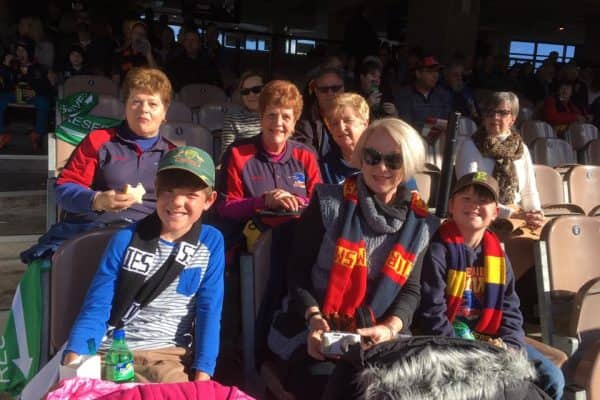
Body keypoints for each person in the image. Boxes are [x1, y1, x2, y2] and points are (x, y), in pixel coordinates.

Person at [273, 118, 433, 398]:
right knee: (333, 386)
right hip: (318, 327)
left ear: (408, 164)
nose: (381, 168)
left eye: (393, 161)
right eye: (372, 157)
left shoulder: (420, 224)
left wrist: (389, 328)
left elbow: (411, 290)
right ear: (361, 157)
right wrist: (314, 318)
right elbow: (297, 272)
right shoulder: (329, 203)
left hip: (381, 334)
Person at [63, 145, 224, 383]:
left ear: (209, 200)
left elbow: (209, 311)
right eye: (168, 191)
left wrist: (203, 375)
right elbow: (97, 307)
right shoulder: (126, 239)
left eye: (191, 195)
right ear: (156, 190)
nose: (177, 202)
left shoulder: (211, 242)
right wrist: (73, 362)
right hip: (111, 352)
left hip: (167, 357)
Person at [419, 171, 565, 400]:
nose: (474, 205)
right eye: (466, 198)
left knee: (552, 378)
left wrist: (511, 346)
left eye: (483, 200)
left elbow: (510, 309)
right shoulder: (436, 249)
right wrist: (466, 351)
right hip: (450, 341)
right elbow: (432, 311)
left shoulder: (497, 255)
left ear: (495, 213)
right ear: (451, 205)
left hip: (491, 339)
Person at [21, 67, 175, 263]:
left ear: (165, 111)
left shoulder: (173, 155)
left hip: (149, 237)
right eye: (136, 101)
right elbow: (64, 188)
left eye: (153, 104)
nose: (144, 109)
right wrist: (96, 200)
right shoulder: (99, 140)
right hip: (96, 230)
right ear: (125, 106)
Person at [216, 80, 322, 223]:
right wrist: (264, 201)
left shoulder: (306, 155)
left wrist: (295, 200)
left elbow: (320, 202)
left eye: (286, 117)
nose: (278, 123)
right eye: (272, 115)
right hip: (252, 233)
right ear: (261, 117)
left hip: (299, 231)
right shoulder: (237, 154)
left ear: (294, 122)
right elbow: (225, 207)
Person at [455, 91, 543, 229]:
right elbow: (471, 191)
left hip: (517, 216)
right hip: (481, 217)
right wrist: (510, 214)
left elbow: (529, 190)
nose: (495, 117)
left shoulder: (521, 149)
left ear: (512, 119)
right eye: (489, 112)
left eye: (502, 113)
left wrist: (535, 213)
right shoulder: (470, 146)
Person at [0, 37, 54, 152]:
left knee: (43, 102)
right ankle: (1, 135)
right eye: (18, 50)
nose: (20, 53)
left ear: (29, 51)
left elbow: (47, 87)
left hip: (32, 96)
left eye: (23, 50)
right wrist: (5, 66)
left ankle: (37, 135)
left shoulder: (39, 67)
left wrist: (35, 91)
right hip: (14, 95)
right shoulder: (12, 66)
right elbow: (5, 86)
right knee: (1, 99)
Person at [294, 66, 345, 158]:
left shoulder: (356, 116)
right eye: (324, 90)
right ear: (316, 92)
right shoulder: (304, 120)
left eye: (335, 88)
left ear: (343, 89)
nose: (330, 93)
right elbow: (306, 156)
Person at [394, 56, 452, 134]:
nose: (435, 75)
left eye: (437, 71)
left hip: (440, 139)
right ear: (418, 74)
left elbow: (449, 123)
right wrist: (431, 129)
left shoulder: (443, 94)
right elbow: (406, 126)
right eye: (430, 71)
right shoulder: (405, 94)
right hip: (414, 139)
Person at [321, 92, 369, 184]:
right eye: (335, 123)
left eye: (348, 121)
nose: (341, 128)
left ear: (364, 124)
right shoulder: (324, 167)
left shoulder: (381, 159)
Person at [219, 70, 263, 157]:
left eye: (256, 90)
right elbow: (226, 154)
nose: (251, 95)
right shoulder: (232, 118)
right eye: (245, 91)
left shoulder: (277, 116)